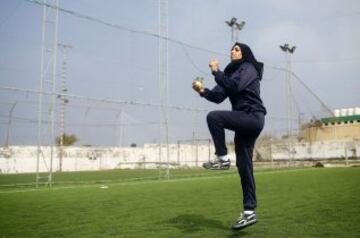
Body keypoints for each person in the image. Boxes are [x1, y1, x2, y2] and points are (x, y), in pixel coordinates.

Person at [192, 42, 266, 230]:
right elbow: (218, 96)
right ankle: (249, 212)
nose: (232, 51)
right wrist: (202, 91)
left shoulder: (249, 68)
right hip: (243, 121)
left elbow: (233, 87)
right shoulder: (231, 73)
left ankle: (223, 158)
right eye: (232, 49)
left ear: (245, 53)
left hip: (252, 117)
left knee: (214, 117)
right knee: (244, 166)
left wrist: (216, 72)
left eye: (237, 49)